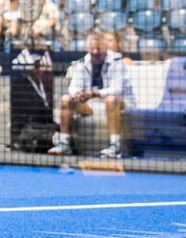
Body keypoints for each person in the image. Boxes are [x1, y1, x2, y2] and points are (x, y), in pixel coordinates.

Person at [48, 31, 131, 159]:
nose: (95, 52)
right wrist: (78, 94)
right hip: (91, 106)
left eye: (99, 48)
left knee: (111, 99)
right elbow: (73, 87)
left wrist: (94, 93)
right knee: (66, 99)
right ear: (88, 49)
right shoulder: (82, 63)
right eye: (92, 49)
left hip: (118, 102)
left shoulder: (117, 61)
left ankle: (116, 146)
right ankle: (64, 144)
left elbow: (117, 89)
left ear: (105, 48)